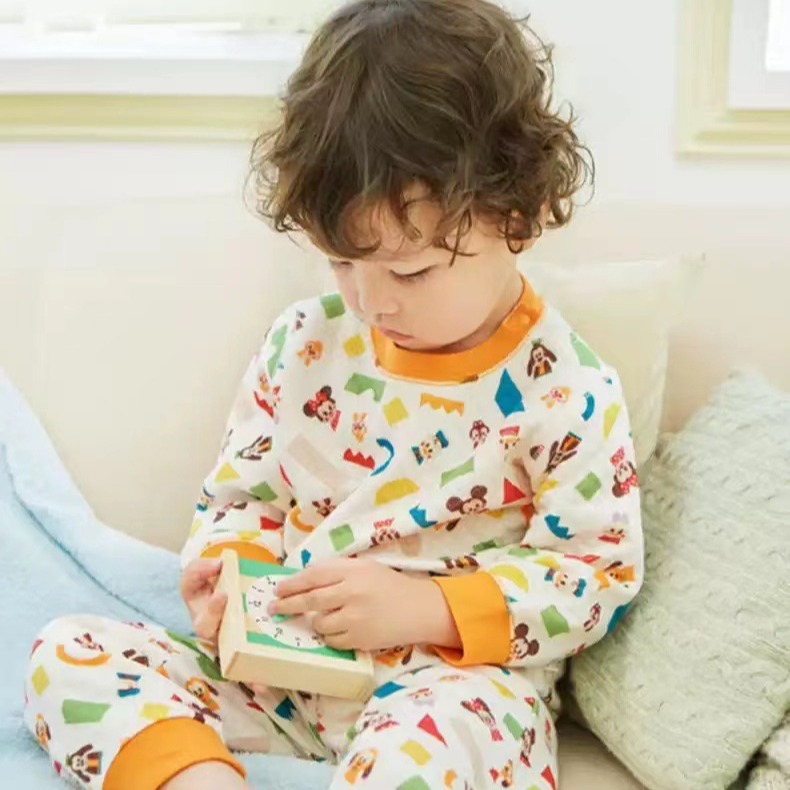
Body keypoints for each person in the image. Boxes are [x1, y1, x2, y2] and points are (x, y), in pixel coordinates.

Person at [24, 1, 644, 787]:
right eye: (342, 264)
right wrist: (228, 578)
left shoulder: (570, 389)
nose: (371, 303)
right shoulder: (305, 342)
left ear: (515, 215)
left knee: (444, 744)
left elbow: (595, 574)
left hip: (446, 691)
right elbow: (240, 497)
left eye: (410, 271)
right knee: (66, 653)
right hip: (279, 677)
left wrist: (427, 610)